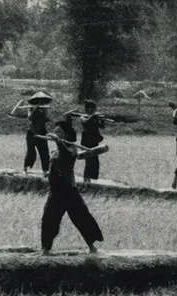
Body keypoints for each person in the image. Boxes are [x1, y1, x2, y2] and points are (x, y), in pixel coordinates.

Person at [40, 114, 104, 255]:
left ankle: (92, 247)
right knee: (49, 219)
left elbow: (67, 157)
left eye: (60, 133)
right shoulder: (55, 150)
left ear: (67, 135)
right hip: (55, 192)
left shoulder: (71, 149)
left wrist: (59, 142)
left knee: (81, 217)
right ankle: (45, 249)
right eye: (56, 132)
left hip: (69, 191)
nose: (56, 134)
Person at [11, 92, 54, 173]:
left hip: (42, 132)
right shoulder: (30, 108)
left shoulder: (44, 109)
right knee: (31, 152)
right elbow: (30, 117)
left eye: (42, 101)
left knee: (44, 152)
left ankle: (45, 170)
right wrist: (34, 110)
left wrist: (43, 113)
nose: (41, 103)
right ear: (36, 101)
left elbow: (48, 119)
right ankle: (25, 168)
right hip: (32, 132)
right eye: (39, 101)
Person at [77, 100, 106, 181]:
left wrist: (102, 120)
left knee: (95, 161)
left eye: (94, 109)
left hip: (94, 140)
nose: (92, 110)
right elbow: (85, 122)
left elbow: (102, 127)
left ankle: (91, 179)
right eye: (90, 109)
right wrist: (93, 116)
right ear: (86, 109)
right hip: (86, 141)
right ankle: (86, 179)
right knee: (89, 160)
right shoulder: (83, 116)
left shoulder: (95, 118)